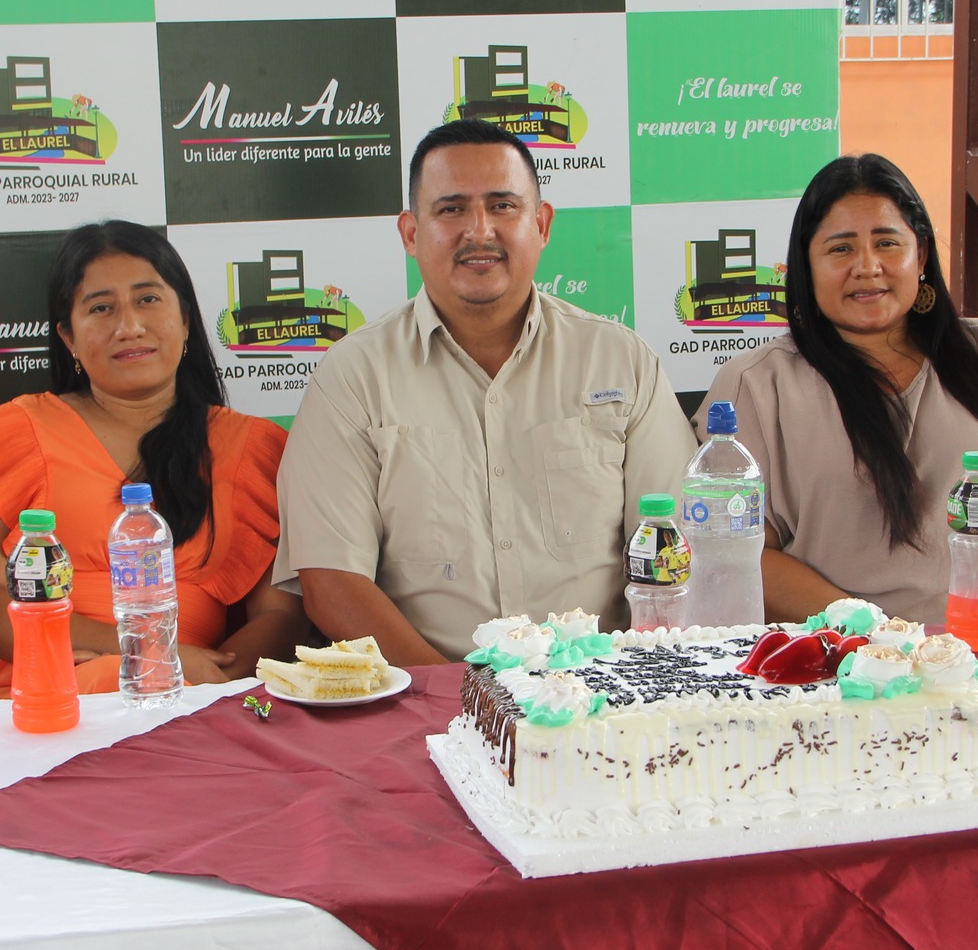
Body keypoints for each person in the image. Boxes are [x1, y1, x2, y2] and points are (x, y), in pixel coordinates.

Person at [275, 119, 695, 664]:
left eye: (502, 206)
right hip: (429, 695)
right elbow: (333, 583)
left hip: (604, 688)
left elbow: (679, 549)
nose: (479, 230)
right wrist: (459, 696)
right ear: (411, 233)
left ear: (541, 224)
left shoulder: (620, 361)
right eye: (451, 209)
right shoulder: (354, 376)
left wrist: (630, 680)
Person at [698, 153, 978, 623]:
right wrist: (880, 637)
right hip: (836, 653)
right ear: (805, 266)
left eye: (887, 243)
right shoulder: (756, 384)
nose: (867, 267)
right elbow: (737, 552)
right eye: (841, 249)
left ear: (921, 254)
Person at [0, 221, 303, 699]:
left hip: (187, 703)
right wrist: (148, 654)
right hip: (36, 695)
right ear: (68, 337)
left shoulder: (252, 447)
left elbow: (282, 614)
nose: (129, 326)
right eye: (101, 308)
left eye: (148, 299)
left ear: (186, 320)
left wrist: (204, 688)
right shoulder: (15, 434)